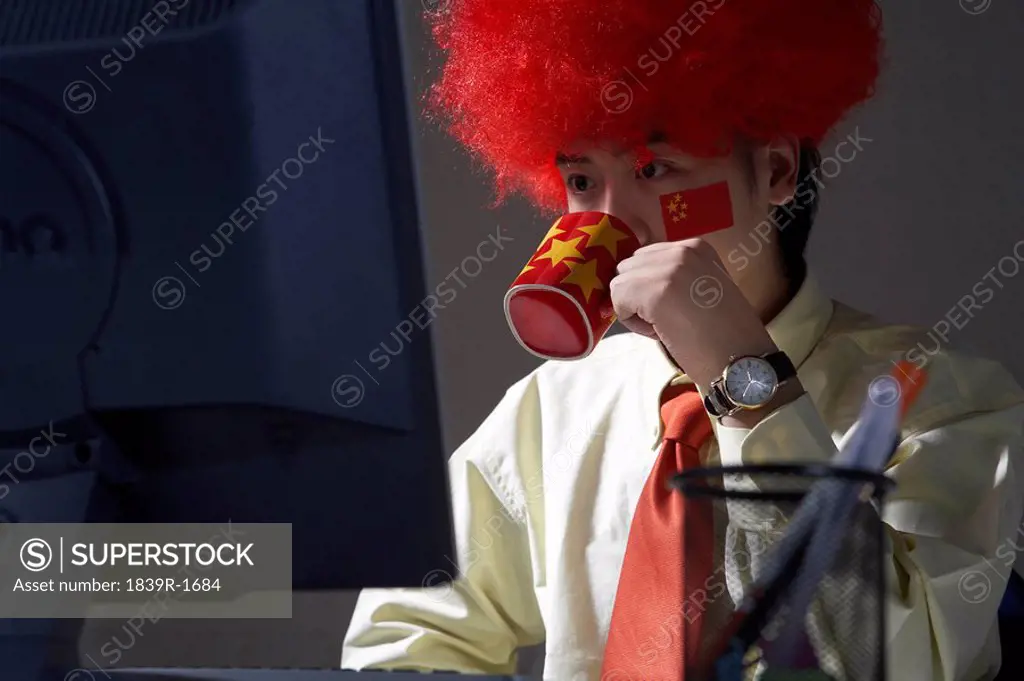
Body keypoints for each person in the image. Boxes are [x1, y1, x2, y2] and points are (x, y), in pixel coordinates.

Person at [342, 1, 1024, 679]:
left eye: (653, 169)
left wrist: (748, 380)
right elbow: (403, 637)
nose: (611, 221)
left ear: (777, 172)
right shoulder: (552, 408)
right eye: (581, 180)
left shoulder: (938, 398)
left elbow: (907, 663)